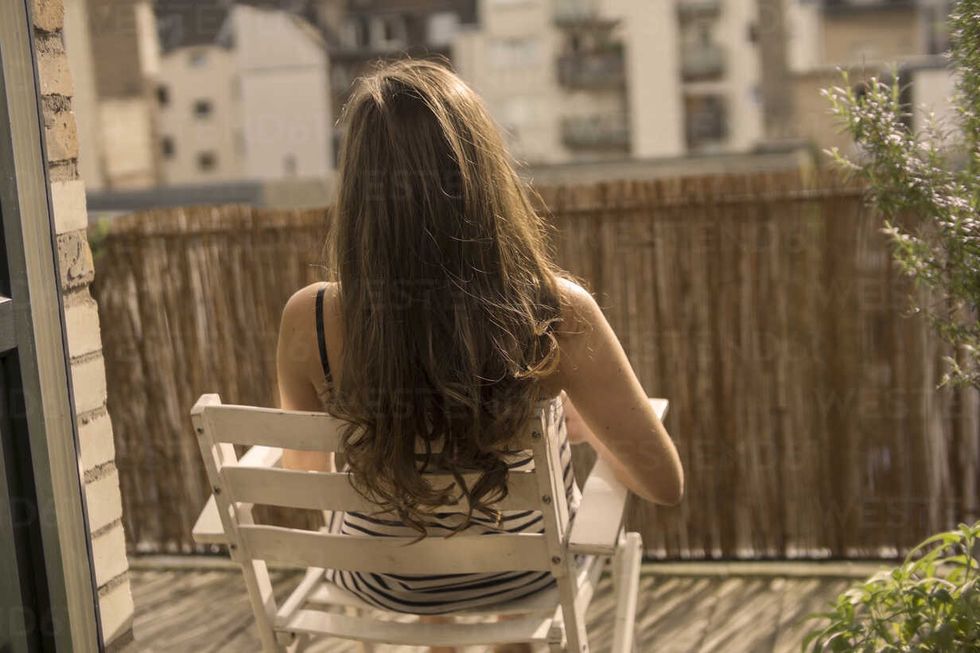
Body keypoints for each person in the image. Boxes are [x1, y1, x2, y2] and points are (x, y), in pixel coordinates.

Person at [275, 58, 683, 652]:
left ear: (360, 187)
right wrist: (585, 429)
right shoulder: (555, 311)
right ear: (483, 174)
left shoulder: (308, 318)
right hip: (522, 575)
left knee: (420, 501)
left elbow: (305, 472)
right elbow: (663, 483)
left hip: (381, 579)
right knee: (497, 531)